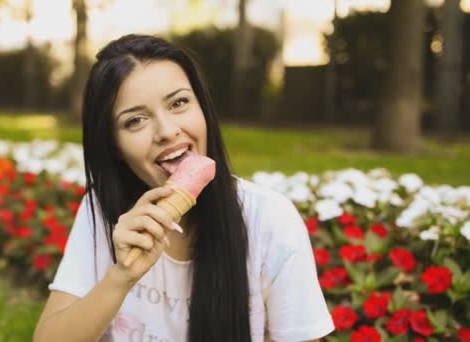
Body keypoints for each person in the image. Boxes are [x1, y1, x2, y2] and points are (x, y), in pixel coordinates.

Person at [34, 34, 334, 342]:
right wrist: (121, 276)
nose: (167, 131)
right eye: (135, 120)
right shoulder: (103, 211)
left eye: (179, 103)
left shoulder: (269, 219)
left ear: (202, 108)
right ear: (115, 147)